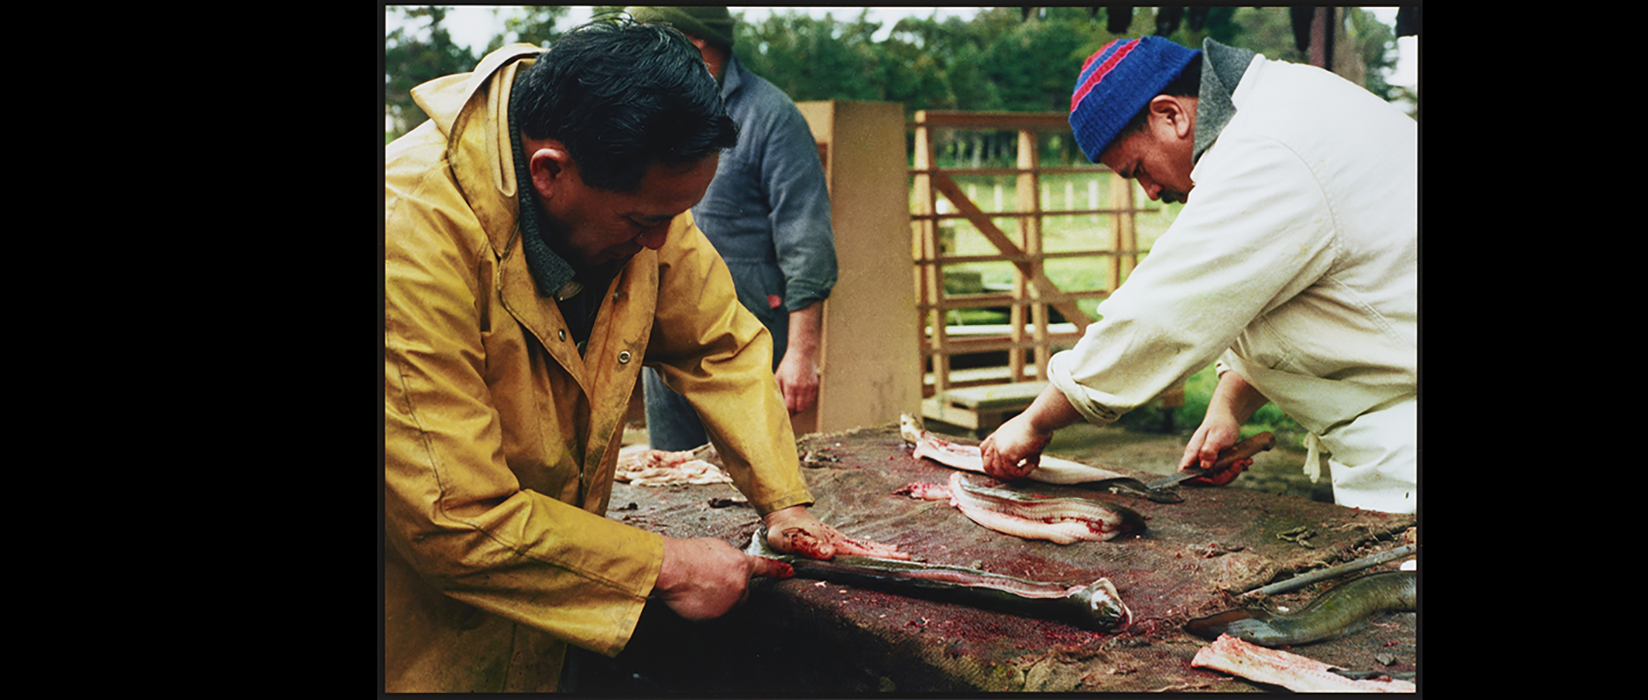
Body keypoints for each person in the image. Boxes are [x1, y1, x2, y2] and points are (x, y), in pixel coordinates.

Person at [384, 18, 892, 693]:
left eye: (674, 217)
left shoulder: (633, 196)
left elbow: (722, 344)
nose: (660, 244)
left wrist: (784, 502)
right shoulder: (407, 239)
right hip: (413, 636)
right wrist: (666, 565)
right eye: (643, 222)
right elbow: (454, 517)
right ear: (549, 171)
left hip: (550, 613)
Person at [979, 36, 1417, 514]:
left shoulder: (1268, 147)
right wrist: (1227, 408)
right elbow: (1281, 290)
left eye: (1138, 169)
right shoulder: (1283, 107)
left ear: (1172, 114)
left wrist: (1035, 422)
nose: (1148, 191)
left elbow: (1161, 315)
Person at [626, 6, 838, 452]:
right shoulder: (654, 111)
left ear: (695, 43)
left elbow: (807, 240)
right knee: (674, 471)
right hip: (665, 327)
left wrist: (801, 354)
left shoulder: (772, 117)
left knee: (753, 469)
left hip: (746, 332)